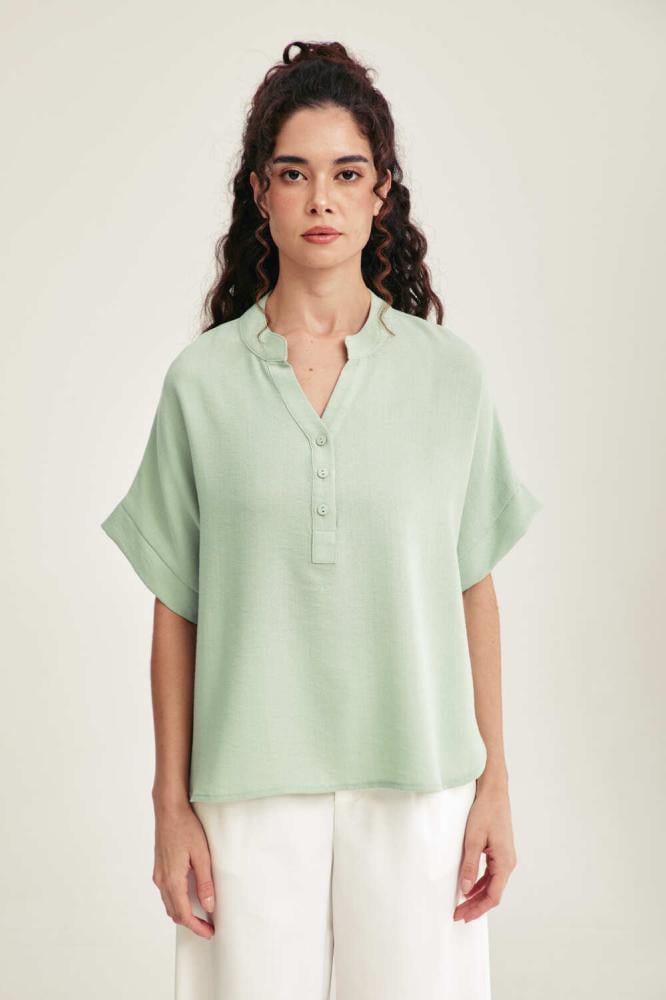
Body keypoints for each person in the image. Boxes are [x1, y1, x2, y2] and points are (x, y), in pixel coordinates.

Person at [100, 39, 542, 1000]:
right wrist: (169, 805)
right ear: (261, 193)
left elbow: (474, 587)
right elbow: (178, 609)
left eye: (346, 173)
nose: (321, 199)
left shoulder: (449, 376)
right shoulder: (201, 385)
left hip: (420, 783)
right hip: (246, 793)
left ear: (381, 192)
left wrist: (496, 785)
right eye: (295, 173)